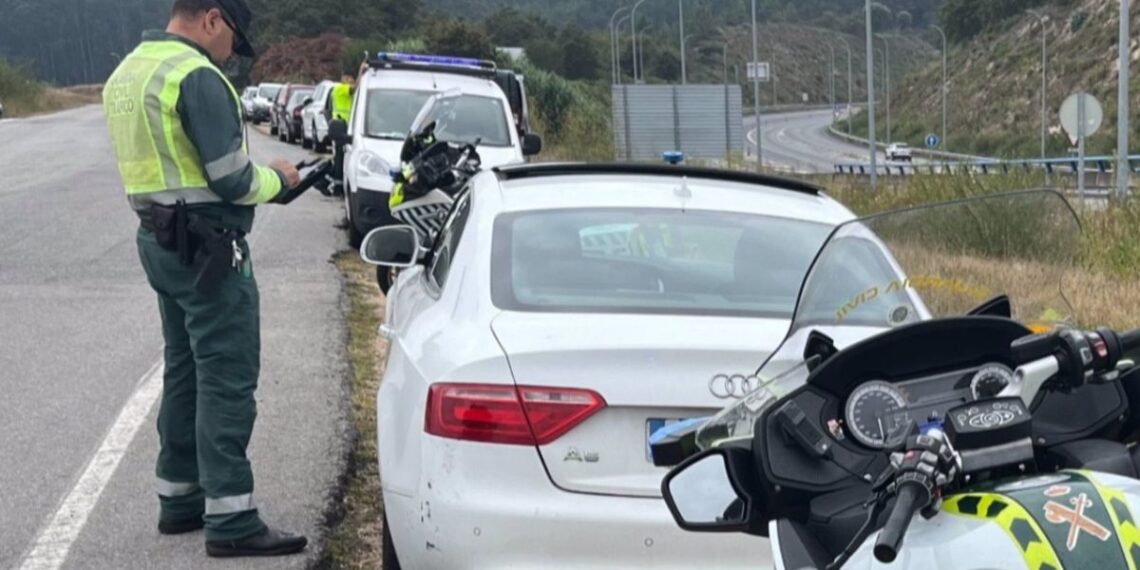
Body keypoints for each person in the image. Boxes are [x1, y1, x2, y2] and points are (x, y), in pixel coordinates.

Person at [101, 0, 308, 558]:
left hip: (159, 239)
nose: (231, 56)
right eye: (233, 42)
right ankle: (232, 518)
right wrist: (281, 178)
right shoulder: (196, 75)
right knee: (226, 375)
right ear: (213, 19)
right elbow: (234, 180)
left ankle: (179, 499)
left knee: (185, 368)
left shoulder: (128, 72)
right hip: (209, 249)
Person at [326, 68, 358, 196]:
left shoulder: (347, 93)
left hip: (347, 130)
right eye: (349, 78)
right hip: (340, 128)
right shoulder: (339, 89)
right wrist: (361, 70)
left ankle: (338, 183)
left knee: (342, 159)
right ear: (344, 78)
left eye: (353, 79)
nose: (351, 81)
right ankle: (337, 185)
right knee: (340, 158)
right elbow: (354, 89)